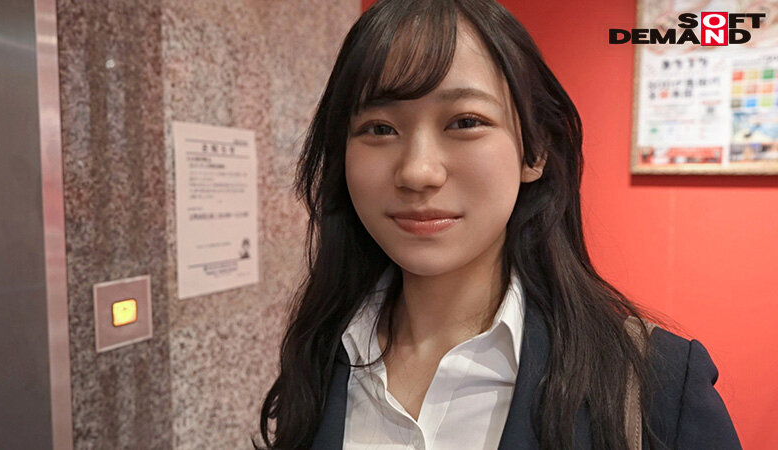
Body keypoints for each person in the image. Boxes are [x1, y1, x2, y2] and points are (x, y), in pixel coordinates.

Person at [254, 0, 741, 448]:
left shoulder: (657, 388)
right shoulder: (318, 356)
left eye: (465, 122)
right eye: (380, 128)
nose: (417, 172)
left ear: (534, 150)